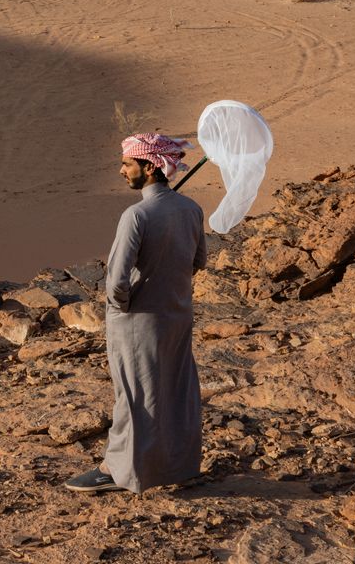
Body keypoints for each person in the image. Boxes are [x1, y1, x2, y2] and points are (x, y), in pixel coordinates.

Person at [65, 132, 208, 494]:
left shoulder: (136, 215)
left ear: (149, 167)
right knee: (174, 391)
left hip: (138, 322)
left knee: (133, 396)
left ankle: (116, 470)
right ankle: (178, 465)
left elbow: (116, 281)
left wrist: (123, 308)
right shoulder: (191, 209)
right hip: (177, 316)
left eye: (127, 164)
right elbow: (198, 261)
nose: (121, 171)